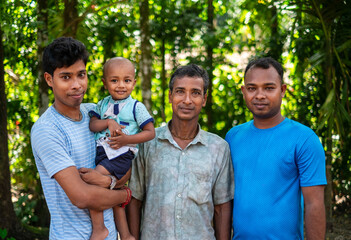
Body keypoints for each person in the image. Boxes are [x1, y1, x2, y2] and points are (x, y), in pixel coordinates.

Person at [31, 37, 130, 240]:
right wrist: (124, 195)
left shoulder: (97, 112)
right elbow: (82, 197)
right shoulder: (47, 130)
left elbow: (128, 160)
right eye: (66, 77)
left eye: (81, 75)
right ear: (49, 80)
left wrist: (107, 181)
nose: (77, 85)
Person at [126, 64, 234, 240]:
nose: (187, 100)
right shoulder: (147, 143)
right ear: (170, 96)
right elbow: (135, 199)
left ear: (205, 99)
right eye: (180, 91)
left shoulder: (218, 148)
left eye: (196, 93)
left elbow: (222, 206)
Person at [225, 57, 326, 240]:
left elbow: (314, 204)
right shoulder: (233, 137)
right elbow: (225, 199)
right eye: (252, 88)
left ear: (283, 90)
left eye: (269, 88)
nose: (259, 95)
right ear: (243, 91)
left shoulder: (304, 139)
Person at [87, 57, 155, 240]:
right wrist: (107, 122)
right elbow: (93, 125)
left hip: (120, 155)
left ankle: (99, 228)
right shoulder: (101, 104)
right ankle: (125, 235)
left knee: (93, 187)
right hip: (103, 152)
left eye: (126, 80)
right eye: (114, 80)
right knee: (114, 193)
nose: (121, 85)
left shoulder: (136, 107)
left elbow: (150, 132)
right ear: (104, 82)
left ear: (134, 82)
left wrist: (127, 139)